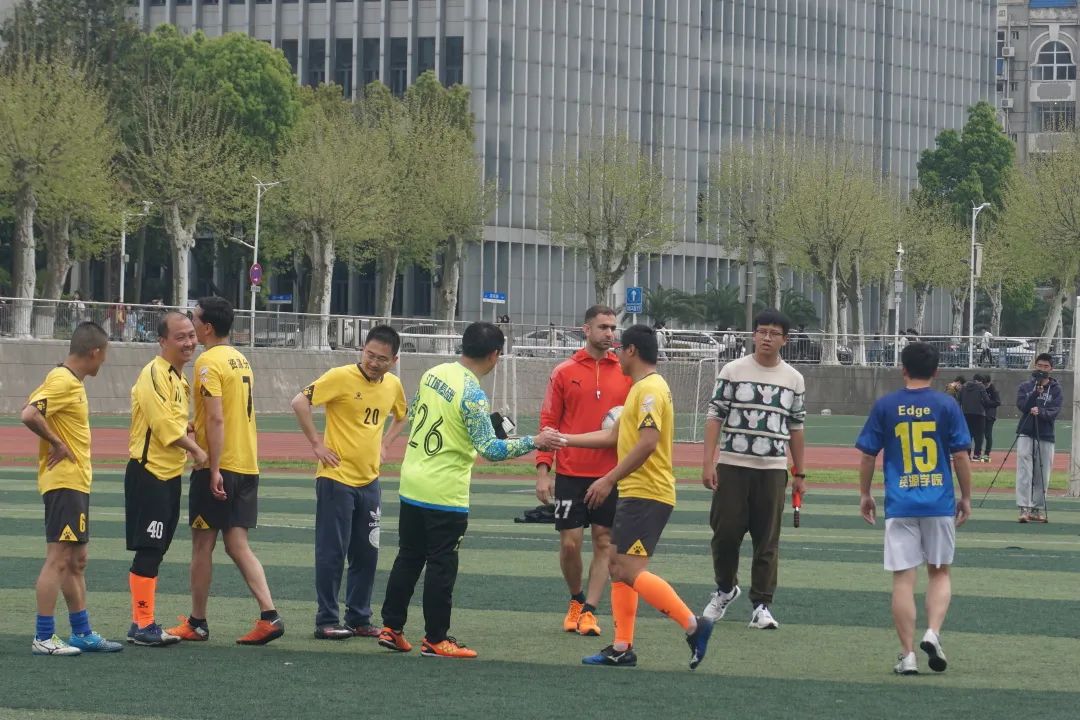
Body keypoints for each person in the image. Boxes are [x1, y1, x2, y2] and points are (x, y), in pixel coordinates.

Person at [378, 322, 563, 658]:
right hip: (444, 491)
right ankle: (436, 638)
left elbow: (419, 413)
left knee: (408, 556)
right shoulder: (473, 393)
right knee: (441, 565)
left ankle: (391, 628)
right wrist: (535, 441)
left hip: (413, 480)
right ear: (495, 355)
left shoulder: (433, 373)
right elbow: (490, 449)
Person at [558, 325, 713, 670]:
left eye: (619, 348)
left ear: (631, 351)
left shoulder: (649, 390)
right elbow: (613, 436)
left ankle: (693, 625)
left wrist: (608, 478)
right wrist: (564, 439)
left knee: (627, 570)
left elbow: (648, 443)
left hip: (647, 492)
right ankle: (621, 647)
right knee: (617, 567)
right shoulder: (639, 389)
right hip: (636, 492)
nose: (615, 354)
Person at [167, 296, 285, 645]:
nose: (191, 325)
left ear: (207, 327)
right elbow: (224, 414)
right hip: (247, 463)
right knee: (237, 544)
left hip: (219, 465)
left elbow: (218, 418)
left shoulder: (207, 362)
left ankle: (197, 622)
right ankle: (270, 615)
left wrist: (213, 468)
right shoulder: (239, 358)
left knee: (202, 545)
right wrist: (197, 424)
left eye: (194, 319)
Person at [855, 341, 973, 675]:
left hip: (901, 503)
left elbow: (868, 455)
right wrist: (966, 497)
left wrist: (865, 494)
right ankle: (932, 632)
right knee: (940, 571)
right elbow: (960, 455)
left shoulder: (886, 405)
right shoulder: (947, 404)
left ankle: (907, 655)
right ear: (936, 371)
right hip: (938, 502)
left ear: (903, 369)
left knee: (903, 579)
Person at [290, 325, 409, 640]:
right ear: (362, 350)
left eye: (382, 358)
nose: (374, 362)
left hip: (369, 480)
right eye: (370, 355)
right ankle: (326, 620)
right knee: (332, 552)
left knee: (367, 553)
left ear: (394, 360)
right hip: (336, 479)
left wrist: (385, 445)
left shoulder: (393, 385)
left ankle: (358, 618)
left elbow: (402, 416)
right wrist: (317, 444)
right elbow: (299, 402)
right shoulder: (339, 377)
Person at [21, 321, 123, 655]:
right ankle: (44, 636)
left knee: (77, 560)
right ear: (94, 352)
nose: (104, 360)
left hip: (76, 482)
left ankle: (81, 632)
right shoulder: (63, 380)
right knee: (59, 558)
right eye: (104, 354)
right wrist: (57, 443)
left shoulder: (69, 381)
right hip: (63, 481)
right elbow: (29, 414)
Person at [700, 309, 806, 630]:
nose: (766, 338)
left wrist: (800, 473)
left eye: (774, 333)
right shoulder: (733, 370)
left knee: (767, 540)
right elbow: (715, 416)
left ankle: (762, 605)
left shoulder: (794, 379)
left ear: (785, 340)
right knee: (725, 535)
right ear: (754, 335)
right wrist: (708, 462)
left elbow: (796, 427)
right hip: (732, 466)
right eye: (761, 332)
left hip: (772, 471)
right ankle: (725, 588)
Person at [535, 305, 632, 637]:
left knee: (604, 541)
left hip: (610, 474)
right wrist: (543, 470)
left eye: (613, 328)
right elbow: (548, 422)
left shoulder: (625, 372)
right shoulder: (564, 371)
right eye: (603, 327)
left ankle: (589, 610)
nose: (610, 333)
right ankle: (575, 599)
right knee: (570, 544)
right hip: (571, 472)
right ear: (586, 330)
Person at [124, 312, 207, 646]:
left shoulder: (178, 378)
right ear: (162, 341)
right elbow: (162, 426)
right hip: (149, 473)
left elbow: (172, 420)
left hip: (169, 474)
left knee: (157, 549)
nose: (188, 342)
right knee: (149, 548)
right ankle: (144, 624)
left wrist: (188, 427)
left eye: (191, 335)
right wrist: (196, 450)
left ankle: (141, 623)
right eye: (180, 337)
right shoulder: (154, 373)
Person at [1014, 353, 1062, 524]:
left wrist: (1040, 412)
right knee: (1024, 470)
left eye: (1045, 366)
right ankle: (1024, 507)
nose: (1042, 369)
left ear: (1051, 369)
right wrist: (1035, 392)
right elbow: (1023, 406)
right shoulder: (1025, 386)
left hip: (1046, 434)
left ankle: (1037, 508)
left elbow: (1054, 411)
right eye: (1039, 366)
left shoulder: (1056, 389)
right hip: (1026, 432)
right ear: (1035, 366)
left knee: (1042, 473)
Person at [958, 376, 990, 461]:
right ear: (979, 380)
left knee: (968, 435)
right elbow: (987, 400)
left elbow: (958, 400)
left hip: (966, 413)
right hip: (979, 414)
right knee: (979, 435)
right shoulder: (981, 386)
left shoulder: (964, 387)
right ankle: (976, 455)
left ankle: (967, 454)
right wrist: (982, 404)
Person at [978, 373, 1001, 463]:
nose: (985, 385)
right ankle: (977, 453)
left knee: (988, 435)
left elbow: (997, 402)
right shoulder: (980, 389)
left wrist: (987, 403)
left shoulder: (994, 391)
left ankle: (987, 454)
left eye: (986, 384)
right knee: (979, 435)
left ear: (989, 382)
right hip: (981, 414)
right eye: (983, 384)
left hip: (989, 416)